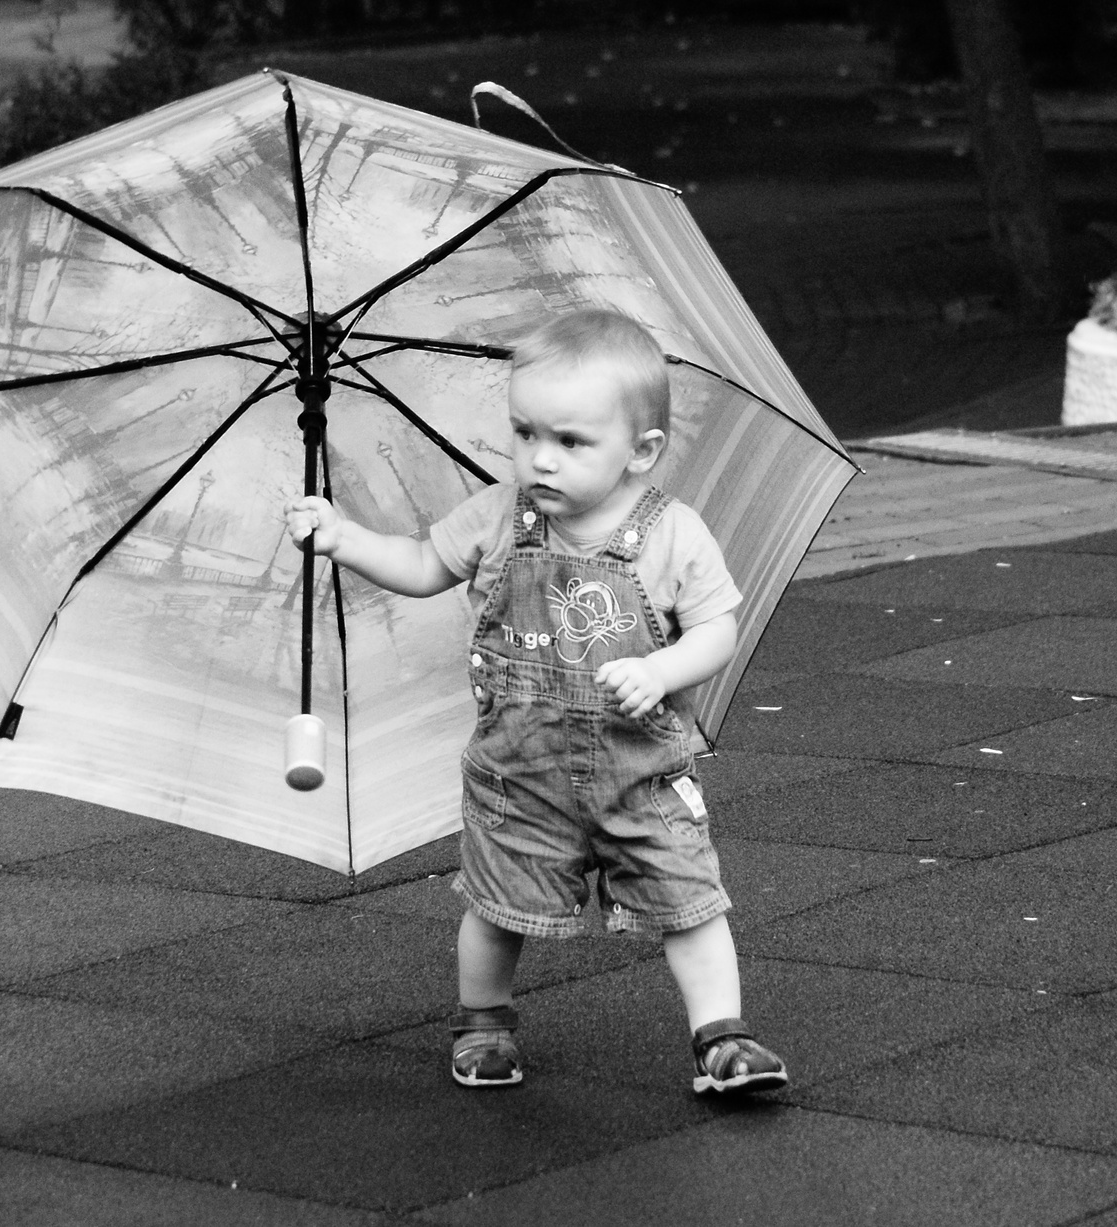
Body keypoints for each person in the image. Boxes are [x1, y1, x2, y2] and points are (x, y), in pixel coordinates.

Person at [283, 309, 788, 1095]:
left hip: (640, 773)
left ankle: (722, 1036)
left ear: (642, 451)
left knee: (690, 901)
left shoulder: (672, 532)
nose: (540, 458)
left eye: (571, 442)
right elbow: (421, 563)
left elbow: (718, 627)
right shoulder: (497, 516)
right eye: (525, 433)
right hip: (519, 775)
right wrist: (344, 538)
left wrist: (661, 669)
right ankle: (483, 1022)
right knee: (494, 906)